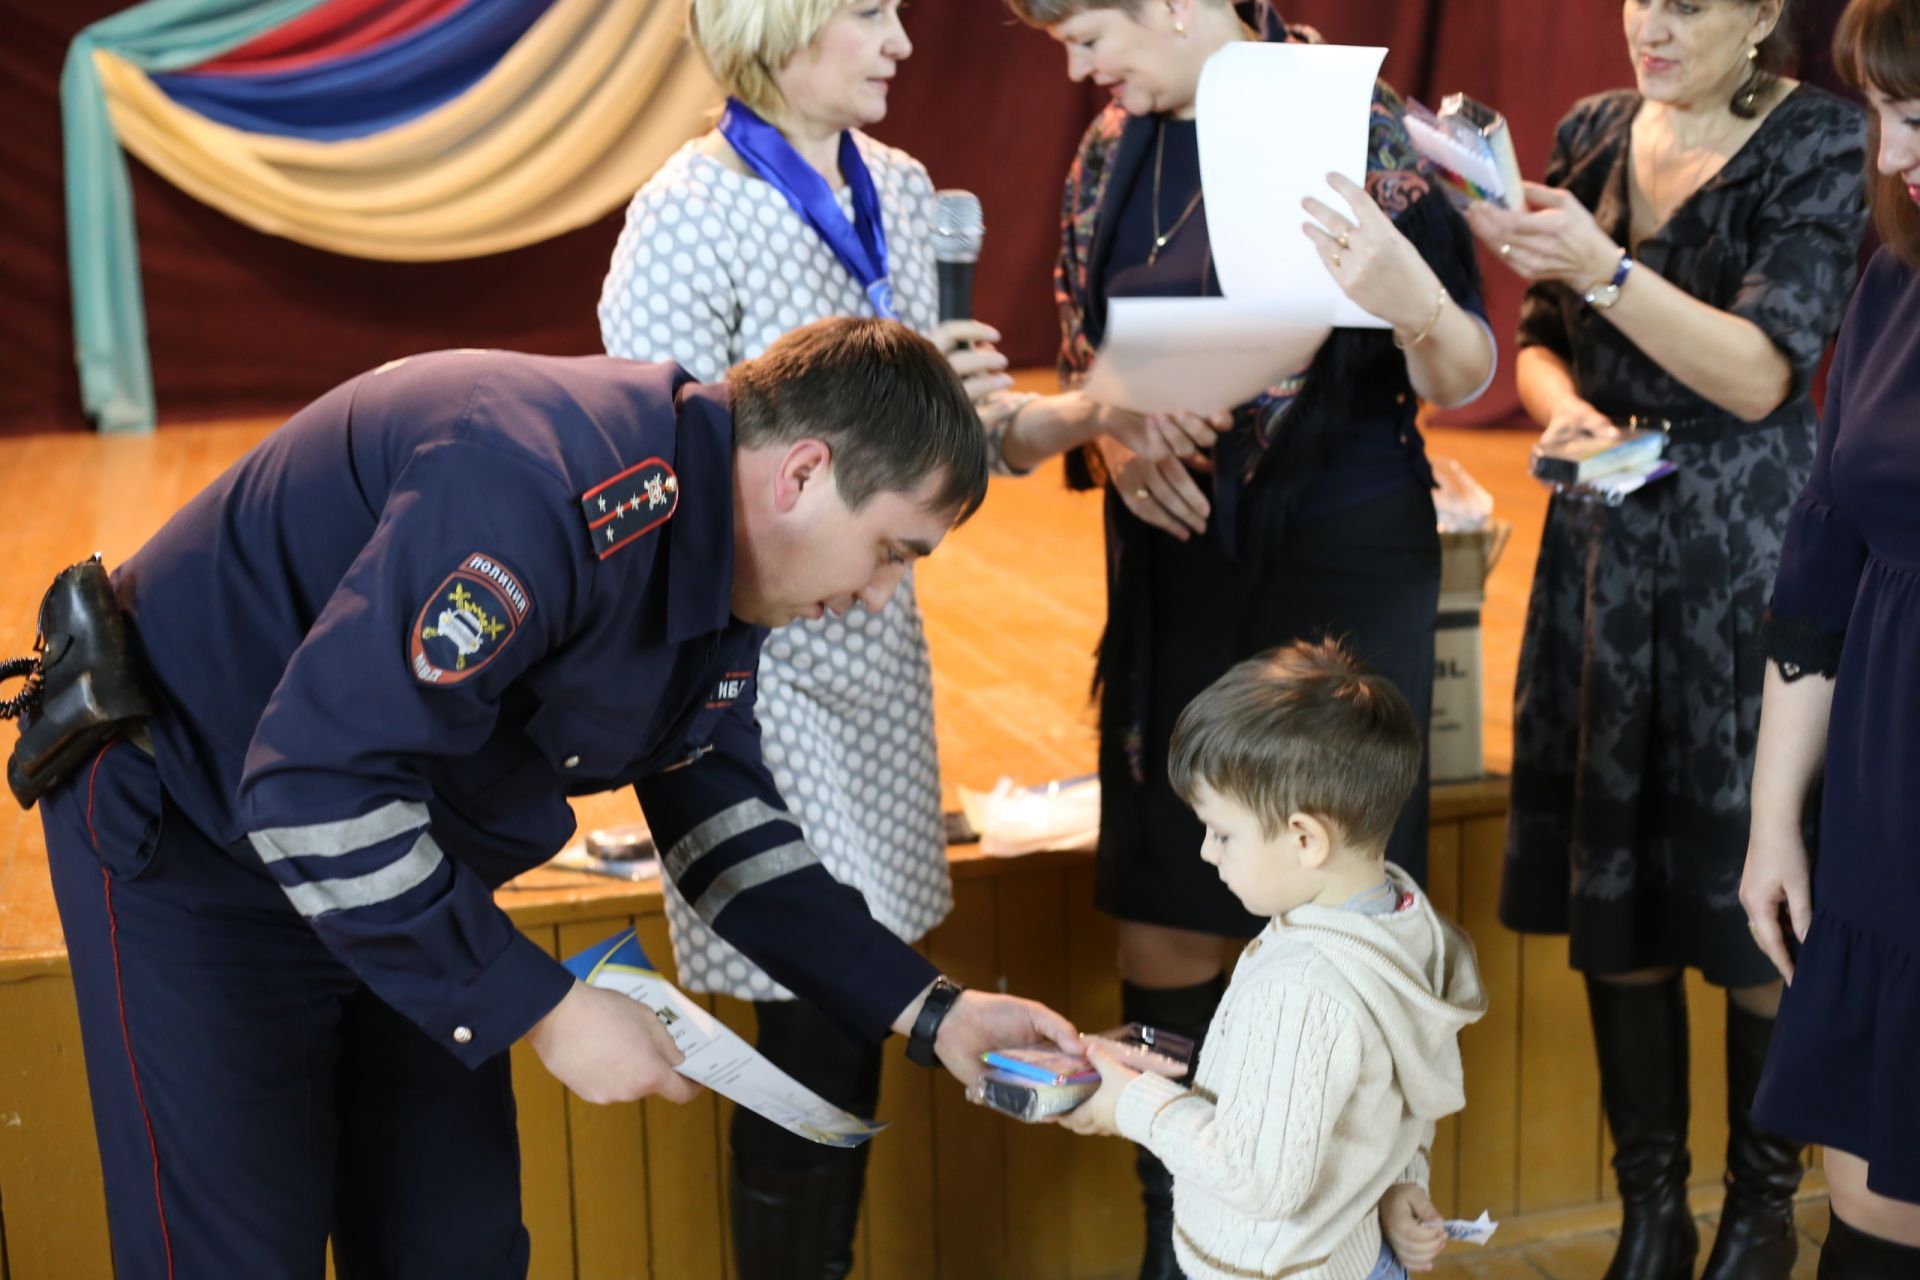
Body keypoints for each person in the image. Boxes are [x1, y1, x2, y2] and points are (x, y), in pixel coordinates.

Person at [35, 318, 1080, 1280]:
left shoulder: (724, 554)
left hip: (399, 859)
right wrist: (534, 1003)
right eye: (894, 550)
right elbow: (313, 785)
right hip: (200, 839)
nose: (877, 594)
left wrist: (930, 1008)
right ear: (802, 473)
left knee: (458, 1246)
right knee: (236, 1257)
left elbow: (721, 820)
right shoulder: (538, 486)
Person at [594, 5, 1146, 1269]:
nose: (900, 38)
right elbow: (669, 462)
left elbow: (970, 450)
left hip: (876, 642)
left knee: (868, 973)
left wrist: (1085, 411)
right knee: (810, 1001)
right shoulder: (689, 208)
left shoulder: (904, 189)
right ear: (773, 29)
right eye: (866, 13)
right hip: (752, 658)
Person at [1000, 0, 1496, 1270]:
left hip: (1336, 548)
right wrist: (1112, 432)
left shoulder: (1342, 111)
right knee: (1169, 901)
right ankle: (1190, 1243)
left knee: (1336, 899)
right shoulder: (1115, 143)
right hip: (1177, 557)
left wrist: (1418, 304)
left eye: (1085, 30)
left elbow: (1461, 366)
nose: (1077, 66)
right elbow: (1091, 350)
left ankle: (1348, 1227)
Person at [1464, 1, 1867, 1274]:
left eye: (1691, 1)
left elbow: (1759, 374)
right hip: (1605, 543)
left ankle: (1758, 1207)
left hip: (1744, 557)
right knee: (1616, 894)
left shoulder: (1823, 143)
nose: (1653, 20)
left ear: (1761, 15)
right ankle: (1652, 1205)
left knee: (1751, 894)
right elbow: (1531, 341)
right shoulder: (1590, 130)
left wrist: (1606, 268)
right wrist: (1569, 409)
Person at [1060, 641, 1487, 1280]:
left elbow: (1257, 1178)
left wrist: (1130, 1103)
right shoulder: (1395, 923)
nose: (1208, 853)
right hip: (1352, 1257)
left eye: (1222, 833)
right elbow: (1401, 1097)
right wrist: (1403, 1182)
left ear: (1305, 839)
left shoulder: (1304, 986)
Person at [1740, 1, 1920, 1274]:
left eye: (1916, 113)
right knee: (1870, 1229)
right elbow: (1820, 567)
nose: (1895, 155)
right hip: (1888, 798)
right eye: (1883, 117)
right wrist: (1772, 823)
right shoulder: (1896, 279)